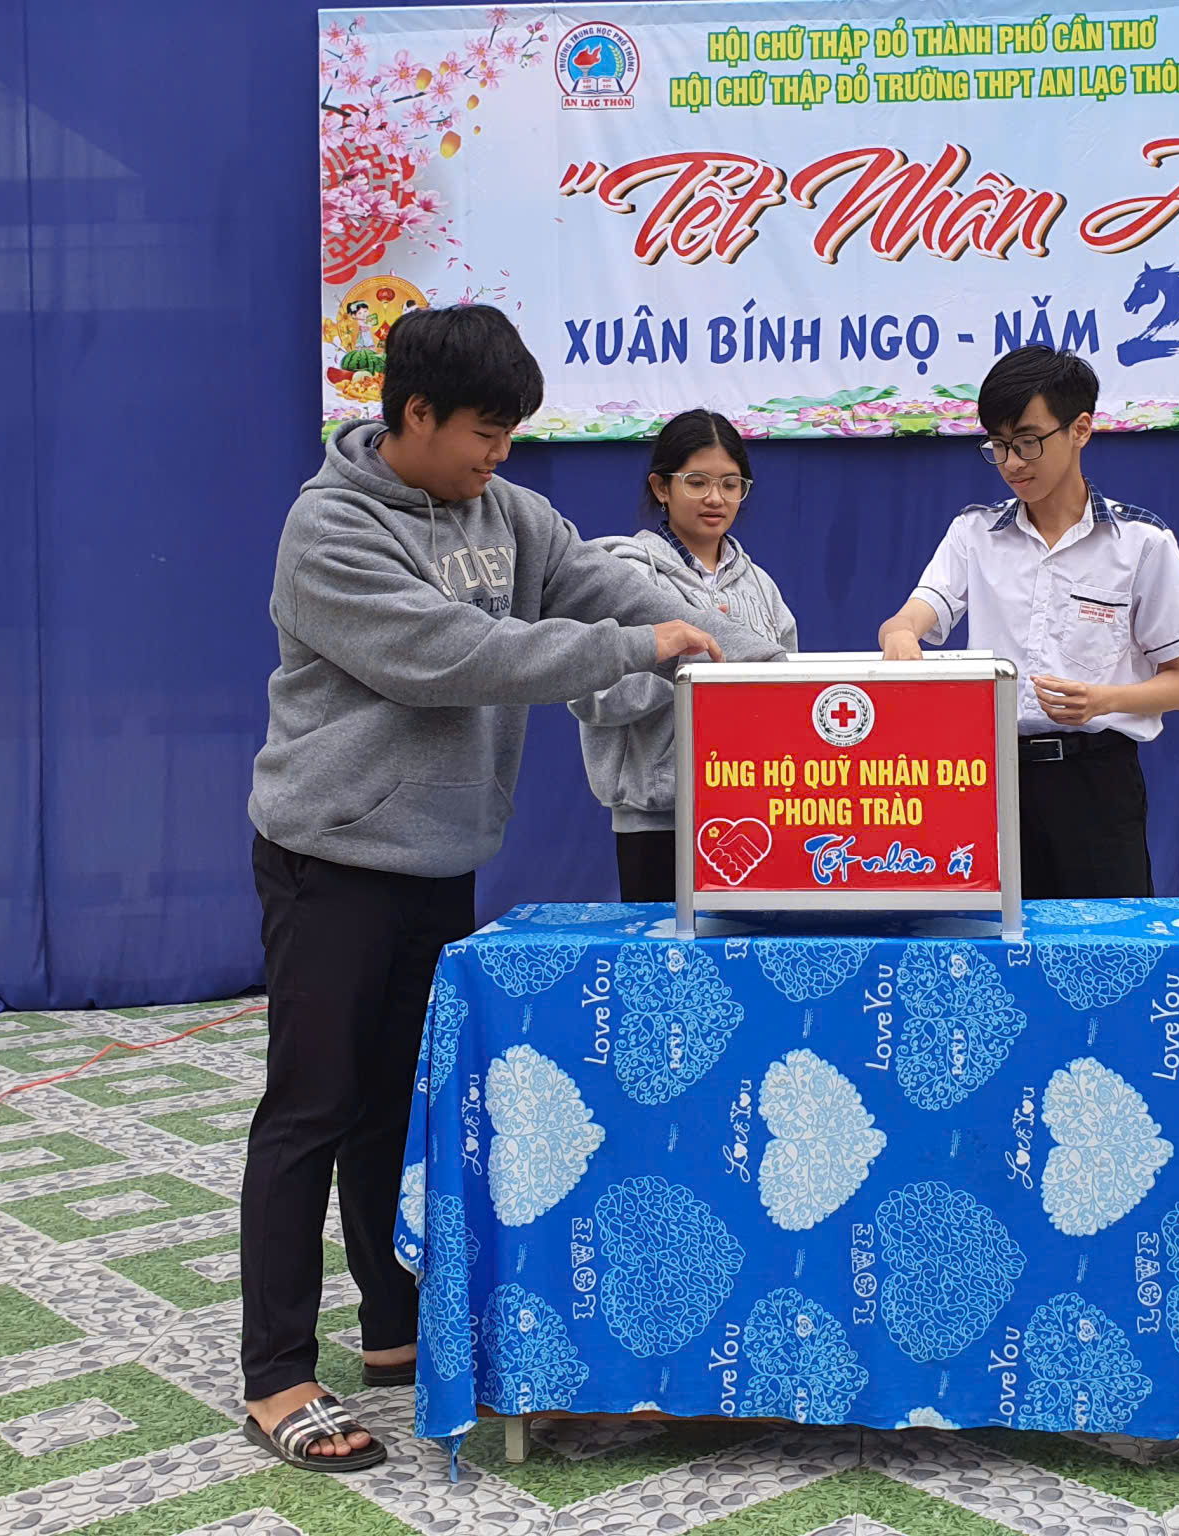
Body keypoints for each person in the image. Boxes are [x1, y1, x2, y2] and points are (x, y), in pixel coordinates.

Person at [240, 305, 783, 1472]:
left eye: (510, 435)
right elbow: (453, 655)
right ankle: (276, 1374)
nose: (499, 454)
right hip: (332, 854)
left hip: (440, 855)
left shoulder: (512, 514)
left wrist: (752, 660)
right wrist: (641, 652)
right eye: (484, 432)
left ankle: (395, 1329)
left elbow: (602, 584)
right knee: (311, 1108)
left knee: (399, 1108)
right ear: (415, 414)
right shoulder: (329, 530)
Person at [876, 345, 1179, 902]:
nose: (1012, 462)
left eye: (1028, 441)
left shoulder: (1140, 542)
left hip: (1096, 783)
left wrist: (1101, 700)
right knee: (990, 939)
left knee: (1105, 943)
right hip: (987, 781)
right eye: (998, 445)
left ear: (1080, 429)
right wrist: (900, 633)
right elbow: (915, 613)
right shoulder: (974, 534)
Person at [569, 410, 801, 904]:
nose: (716, 498)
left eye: (731, 484)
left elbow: (788, 689)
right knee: (664, 951)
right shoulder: (623, 577)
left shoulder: (762, 588)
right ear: (661, 487)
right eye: (697, 482)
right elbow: (592, 695)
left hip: (754, 816)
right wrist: (682, 669)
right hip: (657, 821)